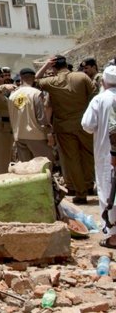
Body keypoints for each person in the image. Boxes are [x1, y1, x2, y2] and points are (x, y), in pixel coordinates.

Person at [36, 55, 96, 204]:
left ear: (53, 67)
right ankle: (89, 185)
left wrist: (45, 65)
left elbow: (36, 80)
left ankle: (80, 193)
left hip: (64, 126)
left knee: (72, 159)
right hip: (84, 123)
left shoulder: (52, 81)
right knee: (88, 155)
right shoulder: (82, 77)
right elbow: (94, 94)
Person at [81, 66, 116, 248]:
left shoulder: (100, 99)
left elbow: (87, 124)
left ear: (103, 82)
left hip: (107, 154)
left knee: (108, 191)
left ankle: (113, 235)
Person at [8, 68, 54, 162]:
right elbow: (41, 117)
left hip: (19, 136)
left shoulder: (12, 95)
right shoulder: (36, 93)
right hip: (36, 135)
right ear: (34, 78)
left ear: (21, 78)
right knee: (44, 166)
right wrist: (49, 133)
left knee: (27, 169)